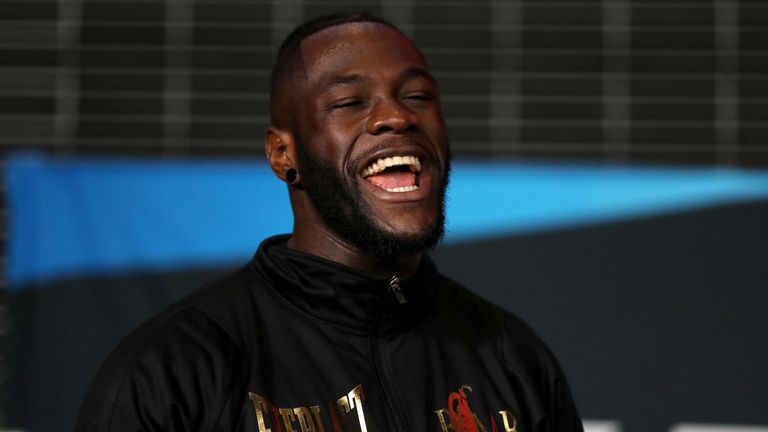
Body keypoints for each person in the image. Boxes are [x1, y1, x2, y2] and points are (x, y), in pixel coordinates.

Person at [76, 12, 583, 432]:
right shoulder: (173, 369)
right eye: (349, 102)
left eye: (418, 96)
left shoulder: (511, 357)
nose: (397, 117)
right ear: (282, 153)